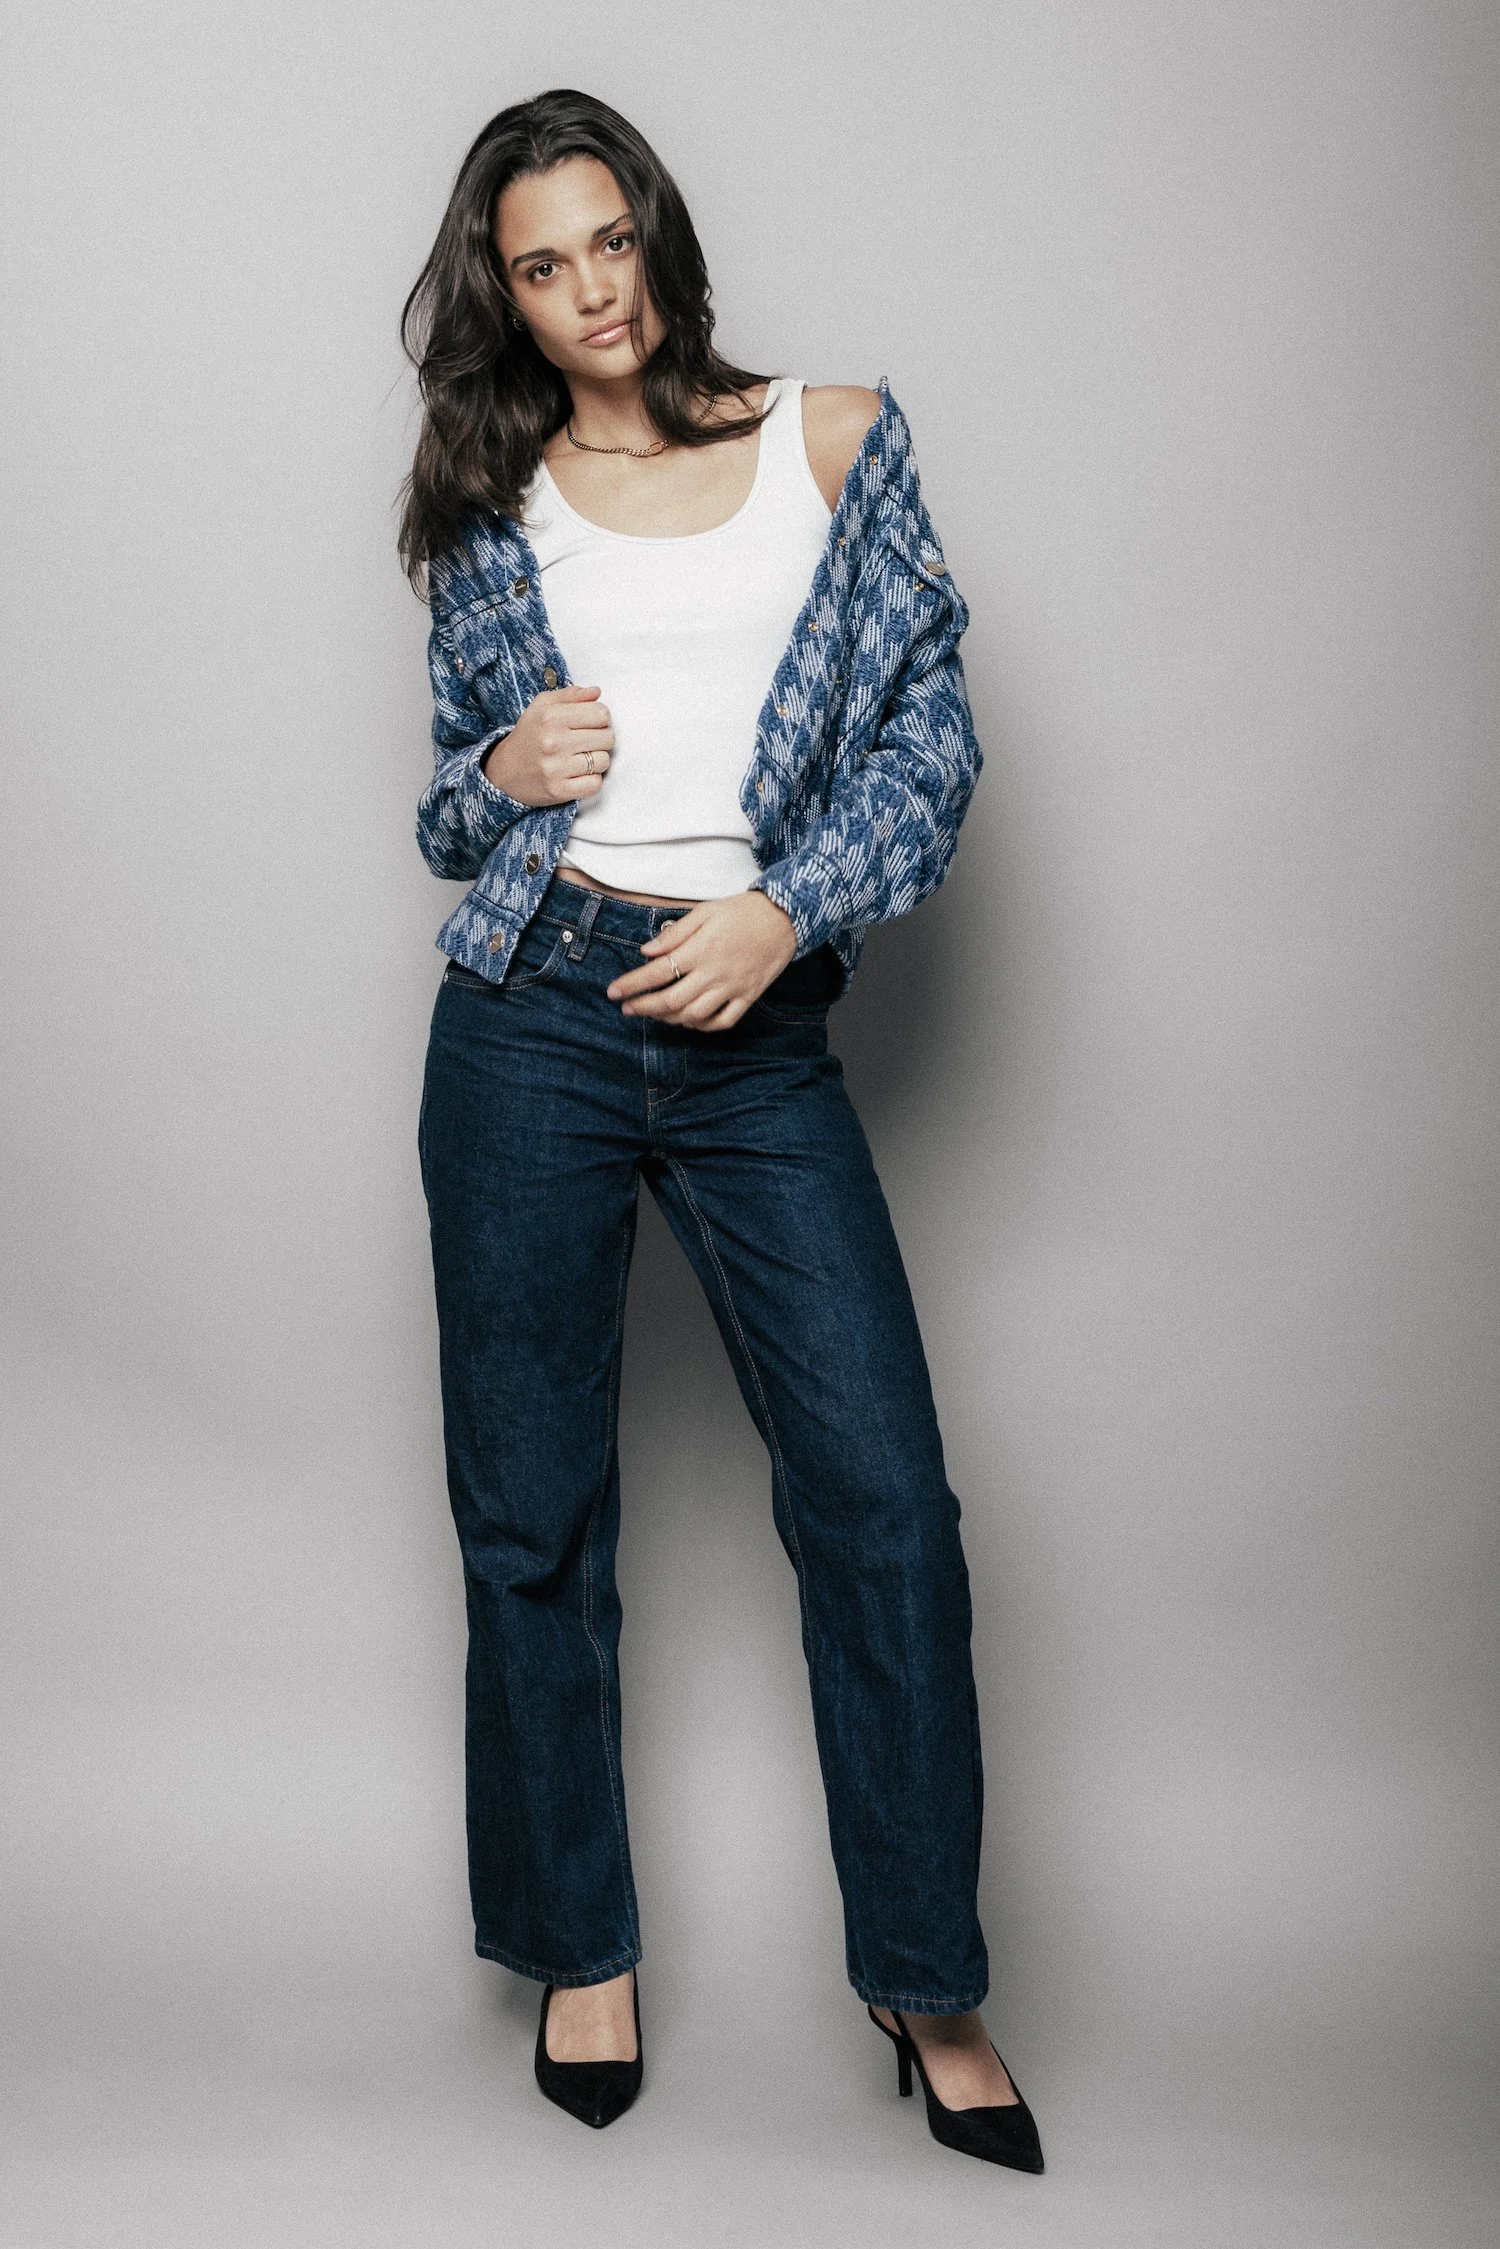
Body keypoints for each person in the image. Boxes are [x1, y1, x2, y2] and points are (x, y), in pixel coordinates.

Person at [398, 88, 1043, 2173]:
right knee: (531, 1512)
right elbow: (449, 809)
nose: (591, 294)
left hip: (753, 1021)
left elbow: (932, 734)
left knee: (884, 1503)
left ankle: (925, 1974)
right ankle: (580, 1944)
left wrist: (789, 910)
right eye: (542, 266)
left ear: (659, 235)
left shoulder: (832, 438)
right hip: (535, 1015)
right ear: (506, 297)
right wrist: (498, 765)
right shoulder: (493, 499)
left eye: (610, 242)